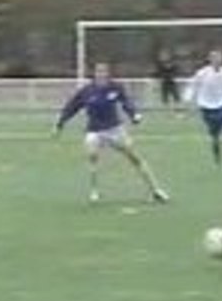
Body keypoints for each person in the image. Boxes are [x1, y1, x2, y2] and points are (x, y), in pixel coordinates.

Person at [53, 62, 170, 204]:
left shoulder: (115, 87)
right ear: (94, 74)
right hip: (94, 130)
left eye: (104, 72)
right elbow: (71, 107)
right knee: (92, 156)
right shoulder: (87, 91)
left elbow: (126, 102)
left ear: (108, 73)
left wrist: (134, 115)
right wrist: (60, 123)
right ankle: (94, 191)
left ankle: (155, 190)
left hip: (115, 129)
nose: (101, 74)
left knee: (134, 158)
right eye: (98, 71)